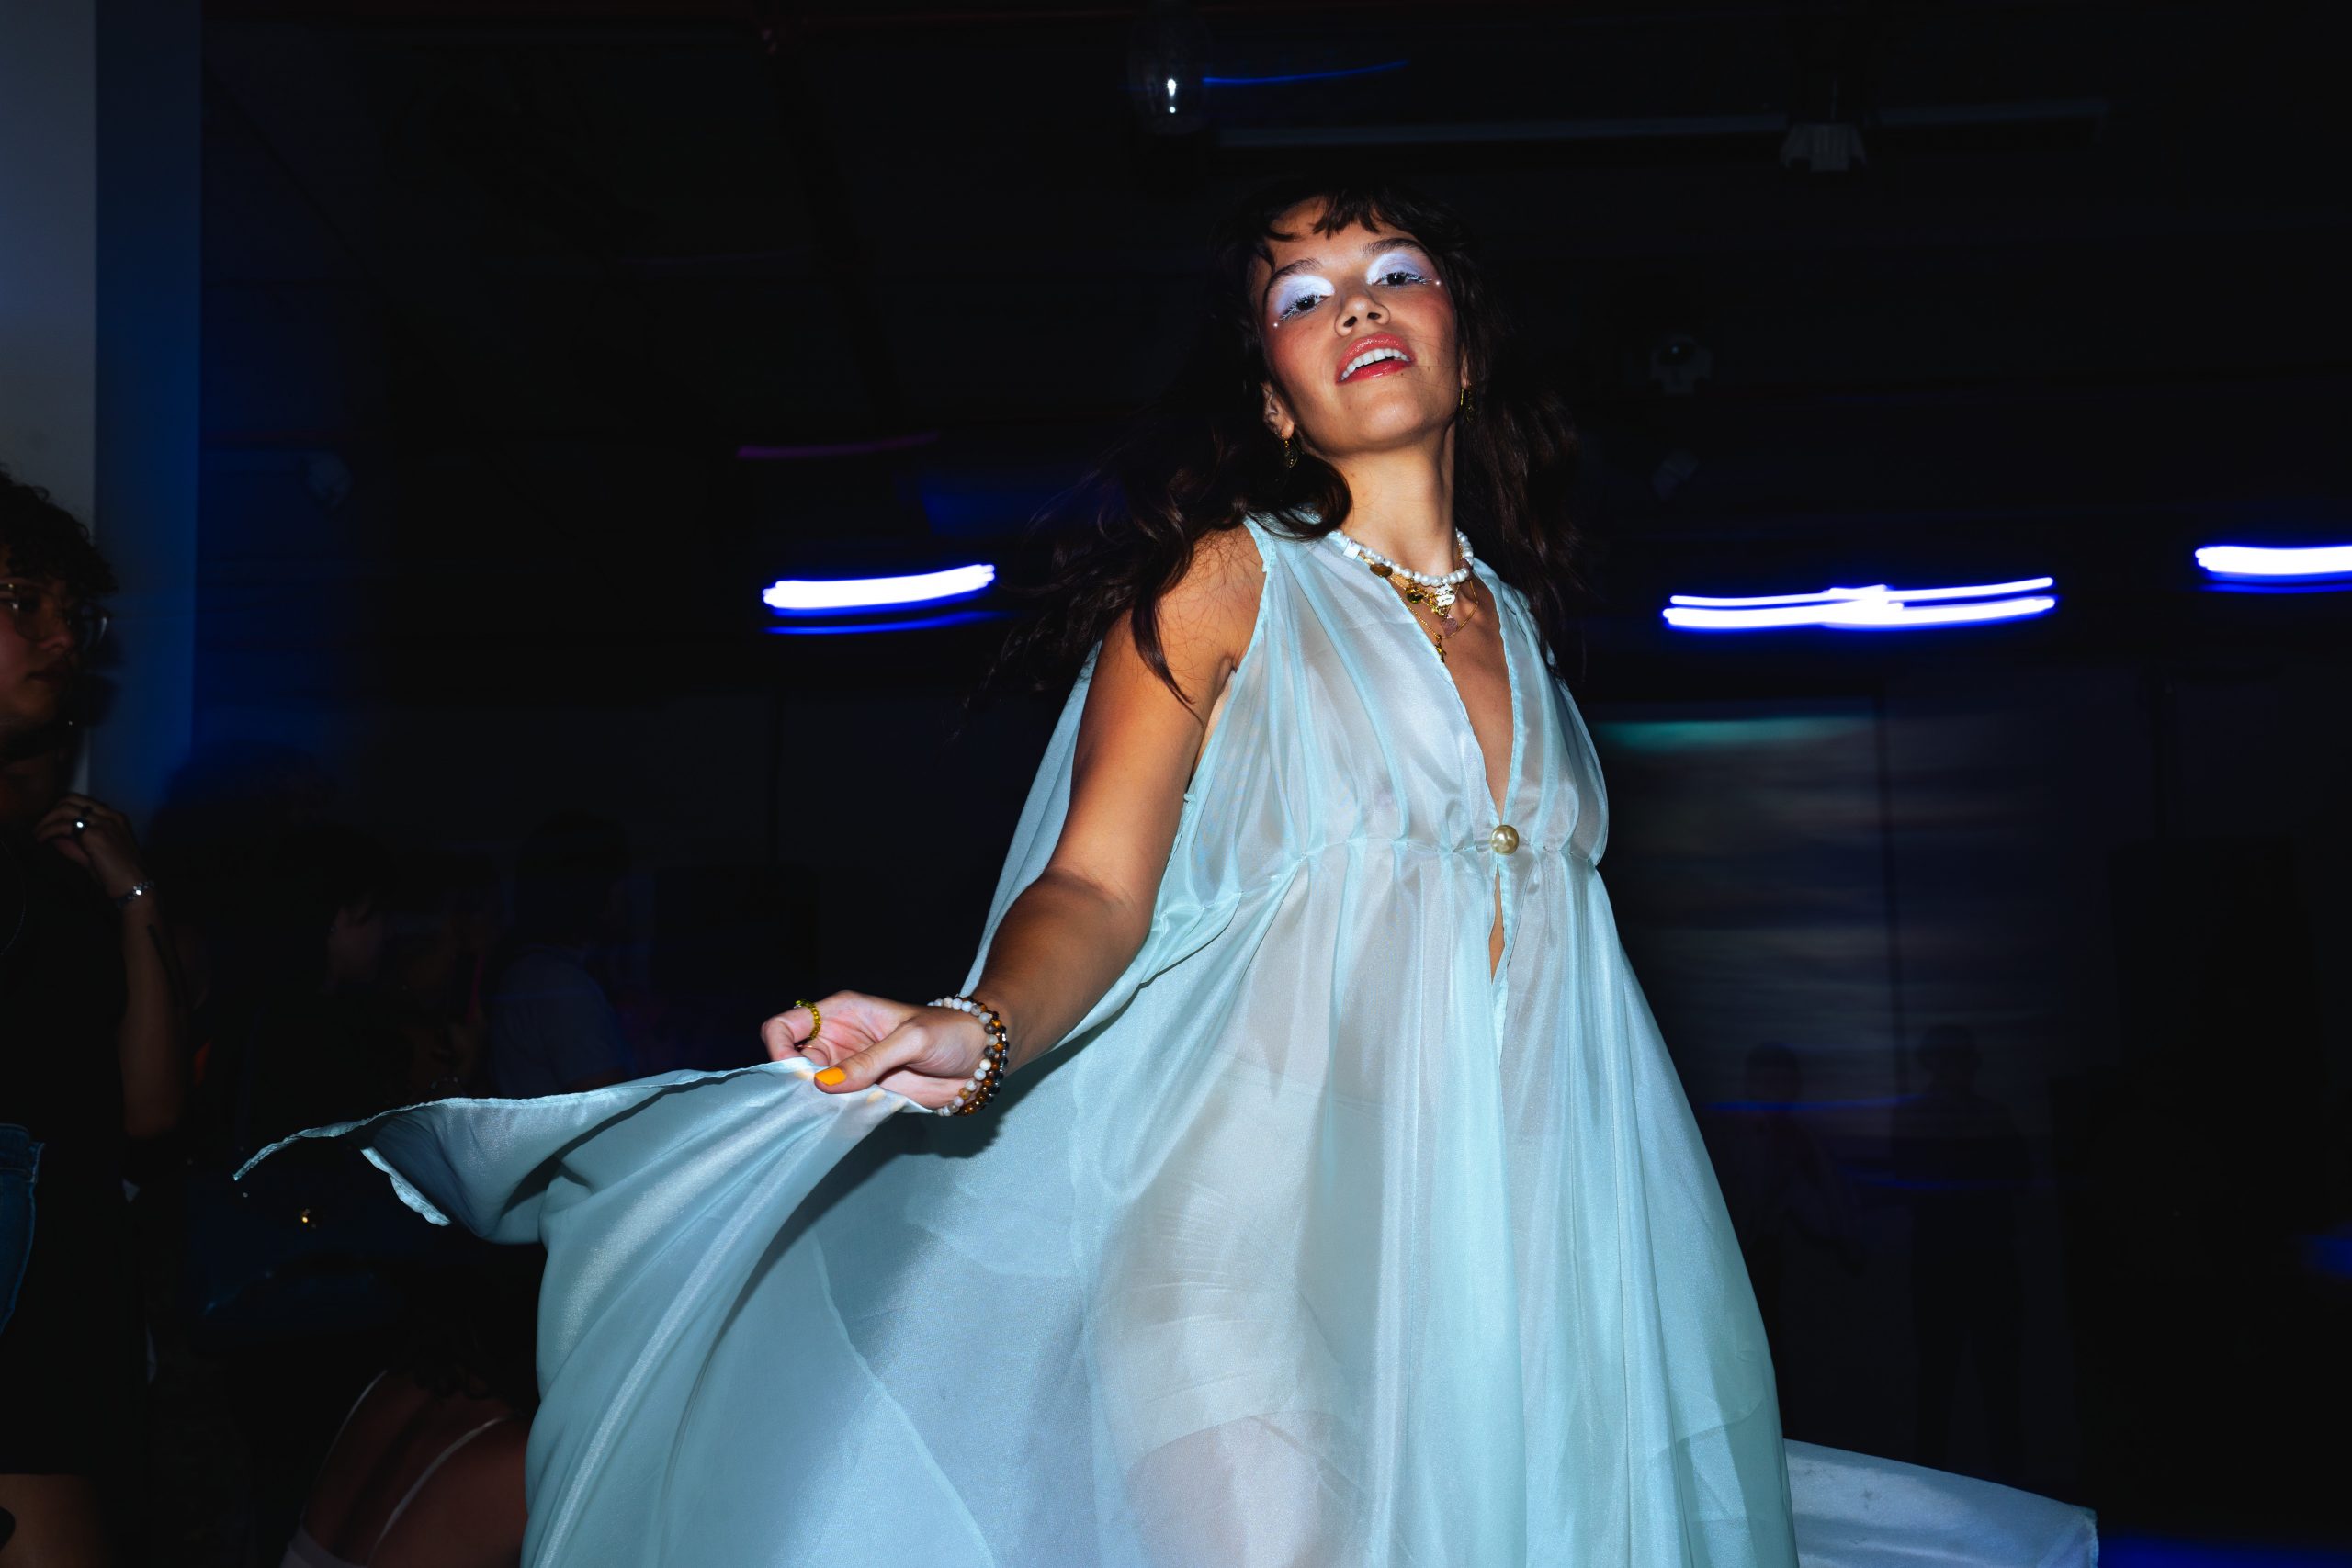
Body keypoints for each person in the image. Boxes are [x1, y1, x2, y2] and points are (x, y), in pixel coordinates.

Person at [249, 179, 2097, 1566]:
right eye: (1299, 293)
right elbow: (1094, 887)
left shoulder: (1530, 637)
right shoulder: (1226, 581)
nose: (1350, 302)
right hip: (1239, 1233)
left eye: (1390, 270)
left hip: (1521, 1242)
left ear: (1461, 342)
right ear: (1276, 397)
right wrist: (979, 1017)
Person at [0, 467, 192, 1567]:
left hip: (68, 1303)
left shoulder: (58, 878)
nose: (62, 637)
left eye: (73, 613)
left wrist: (136, 900)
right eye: (22, 602)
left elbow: (150, 1111)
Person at [482, 812, 636, 1097]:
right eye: (620, 878)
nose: (628, 892)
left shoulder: (535, 971)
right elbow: (613, 1108)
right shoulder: (560, 985)